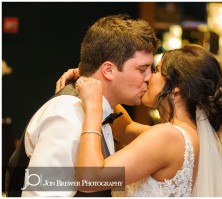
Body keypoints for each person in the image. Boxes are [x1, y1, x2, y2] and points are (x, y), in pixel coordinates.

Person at [62, 44, 222, 196]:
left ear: (176, 87)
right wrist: (95, 79)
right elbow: (125, 129)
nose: (147, 78)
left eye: (156, 70)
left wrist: (93, 107)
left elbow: (89, 178)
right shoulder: (192, 136)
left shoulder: (168, 136)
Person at [16, 14, 160, 197]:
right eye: (142, 69)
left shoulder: (103, 111)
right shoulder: (68, 116)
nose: (149, 77)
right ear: (108, 70)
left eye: (152, 69)